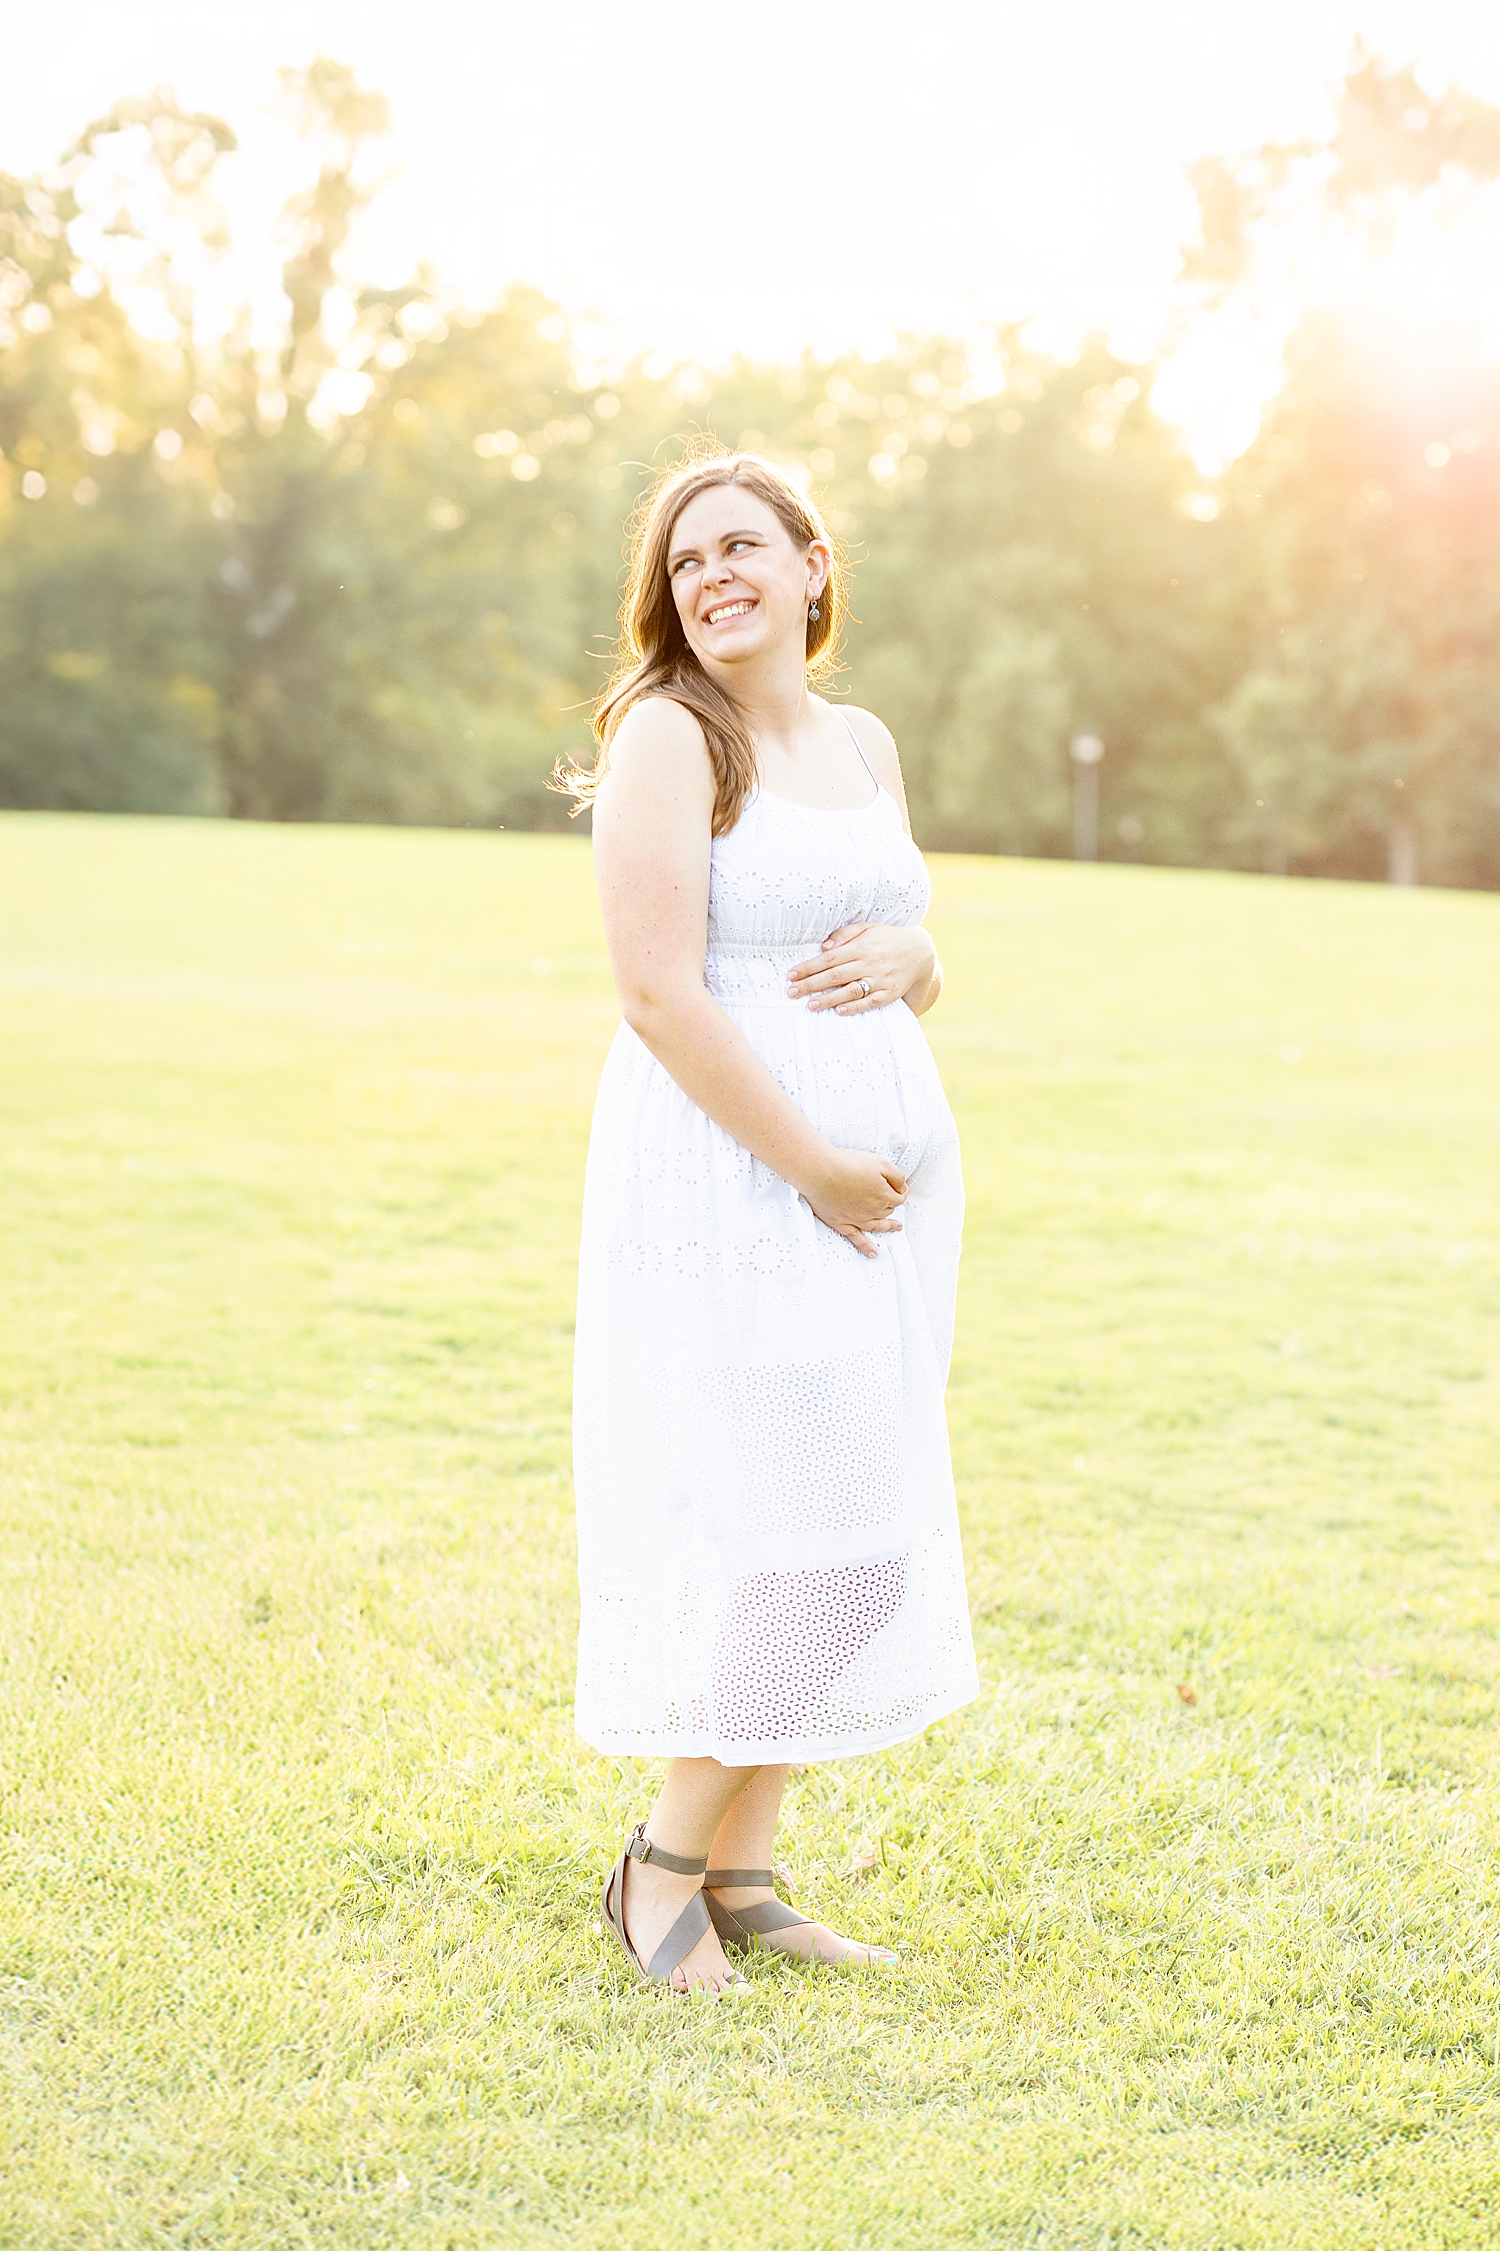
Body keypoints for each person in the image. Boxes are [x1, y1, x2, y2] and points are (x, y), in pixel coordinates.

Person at [560, 449, 978, 1994]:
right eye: (686, 562)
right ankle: (662, 1867)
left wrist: (922, 962)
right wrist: (810, 1162)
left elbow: (895, 926)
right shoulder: (673, 734)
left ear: (814, 565)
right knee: (792, 1521)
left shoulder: (860, 739)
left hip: (879, 1190)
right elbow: (660, 990)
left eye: (743, 546)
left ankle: (745, 1871)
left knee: (854, 1515)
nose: (713, 576)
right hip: (738, 1175)